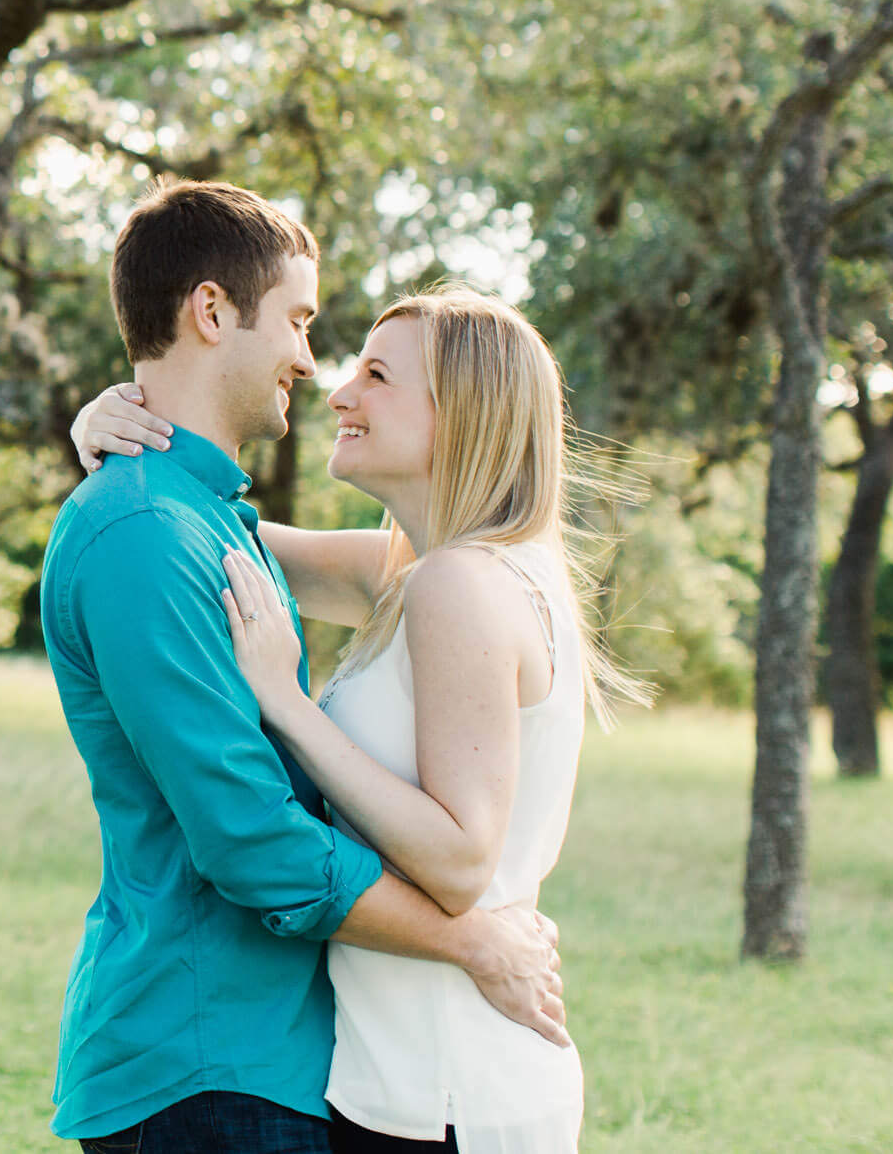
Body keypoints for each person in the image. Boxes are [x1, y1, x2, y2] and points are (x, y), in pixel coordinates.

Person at [41, 180, 569, 1154]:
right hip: (219, 1055)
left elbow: (456, 854)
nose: (317, 369)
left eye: (375, 374)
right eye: (299, 321)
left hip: (379, 1069)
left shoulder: (442, 579)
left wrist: (286, 701)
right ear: (210, 311)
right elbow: (250, 838)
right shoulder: (164, 528)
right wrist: (108, 433)